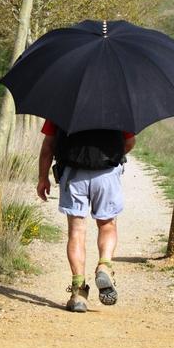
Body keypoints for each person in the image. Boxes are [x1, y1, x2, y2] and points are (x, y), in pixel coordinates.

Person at [36, 119, 135, 312]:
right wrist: (112, 156)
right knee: (107, 225)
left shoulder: (63, 101)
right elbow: (130, 143)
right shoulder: (118, 105)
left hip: (73, 174)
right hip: (106, 174)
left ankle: (78, 292)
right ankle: (104, 266)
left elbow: (48, 145)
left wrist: (42, 178)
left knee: (76, 232)